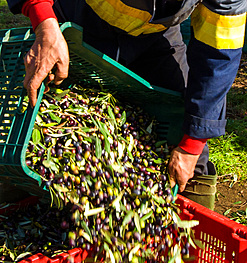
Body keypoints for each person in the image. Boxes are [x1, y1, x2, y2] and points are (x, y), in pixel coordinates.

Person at [7, 0, 247, 209]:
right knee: (34, 135)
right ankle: (19, 207)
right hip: (85, 21)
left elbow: (219, 54)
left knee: (187, 148)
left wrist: (192, 145)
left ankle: (190, 241)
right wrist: (44, 23)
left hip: (156, 36)